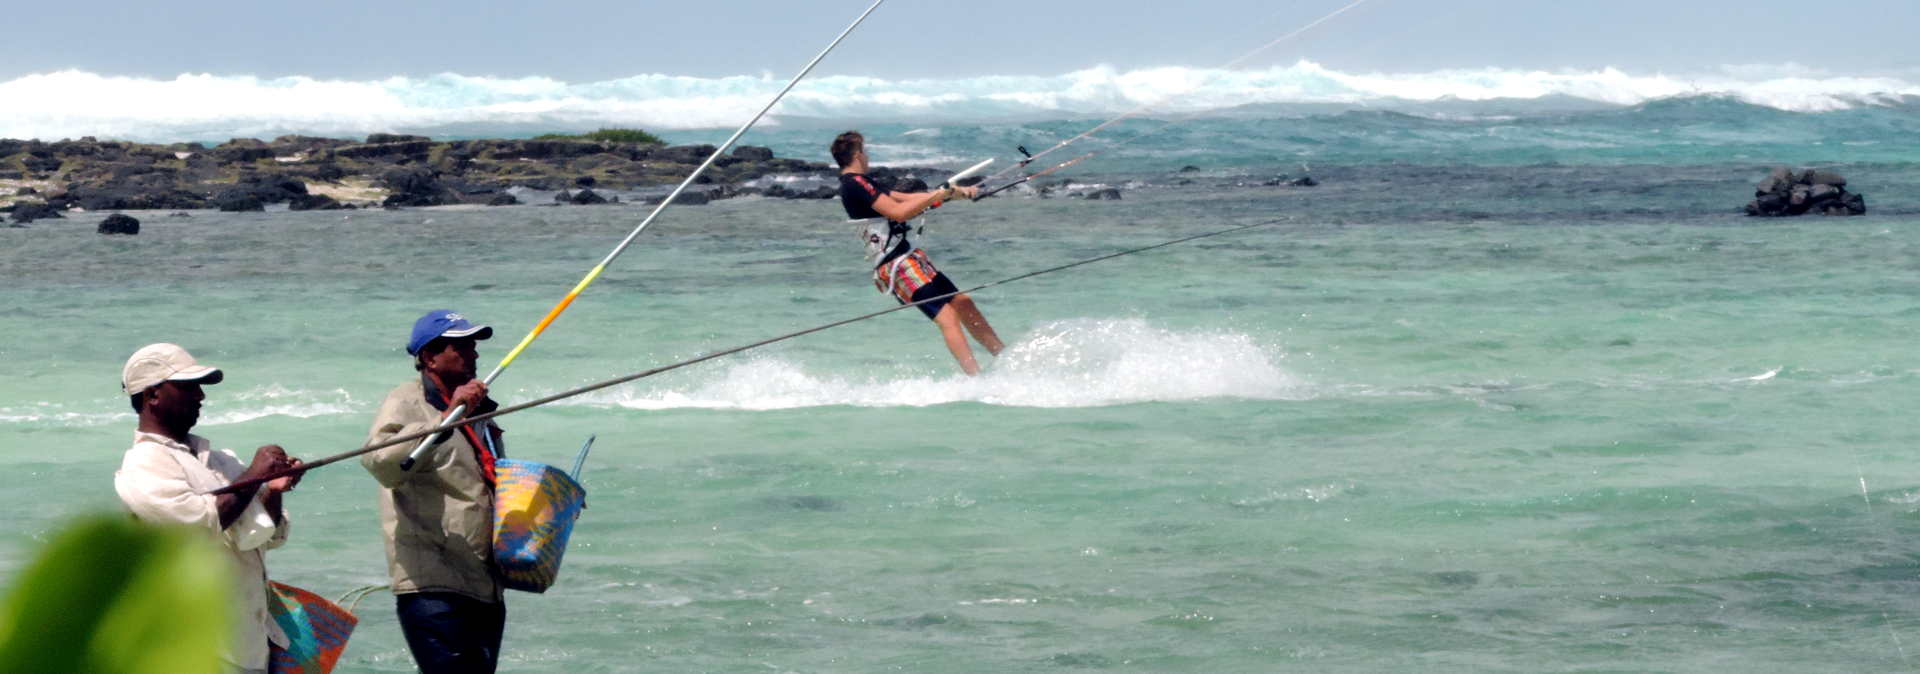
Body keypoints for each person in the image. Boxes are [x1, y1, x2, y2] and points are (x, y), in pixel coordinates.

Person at [113, 342, 302, 674]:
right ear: (151, 396)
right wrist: (255, 474)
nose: (200, 396)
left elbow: (264, 537)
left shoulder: (221, 460)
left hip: (247, 646)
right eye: (187, 387)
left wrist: (273, 489)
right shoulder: (143, 463)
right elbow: (200, 525)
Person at [361, 310, 508, 673]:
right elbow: (382, 463)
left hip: (483, 583)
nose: (474, 355)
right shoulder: (407, 401)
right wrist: (446, 418)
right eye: (462, 348)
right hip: (433, 585)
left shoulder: (477, 413)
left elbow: (489, 484)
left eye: (474, 347)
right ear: (430, 357)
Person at [833, 130, 1005, 375]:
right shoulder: (855, 183)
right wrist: (937, 194)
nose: (867, 156)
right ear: (858, 154)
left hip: (909, 258)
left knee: (963, 302)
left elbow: (909, 199)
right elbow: (899, 212)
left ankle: (1004, 358)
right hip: (895, 264)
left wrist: (956, 193)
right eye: (866, 152)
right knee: (947, 317)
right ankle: (975, 378)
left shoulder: (864, 183)